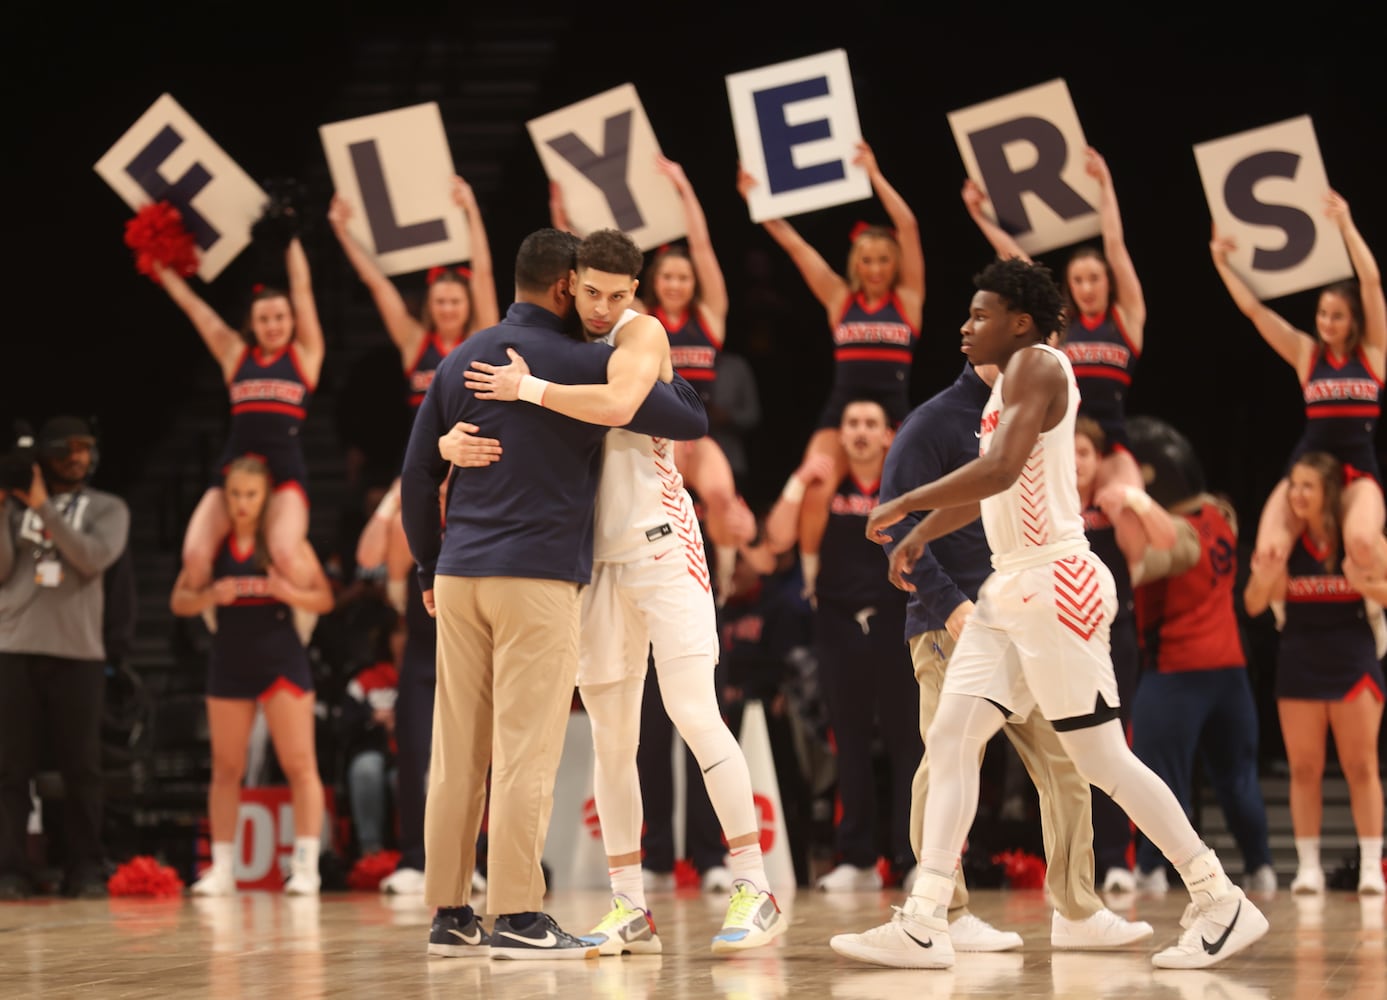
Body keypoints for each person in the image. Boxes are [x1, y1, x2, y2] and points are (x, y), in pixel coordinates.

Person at [834, 257, 1268, 970]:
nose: (964, 325)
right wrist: (923, 531)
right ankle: (923, 917)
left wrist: (908, 502)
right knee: (949, 741)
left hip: (1056, 585)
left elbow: (1000, 468)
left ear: (1022, 321)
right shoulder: (1005, 388)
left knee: (1100, 759)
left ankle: (1217, 897)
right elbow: (993, 489)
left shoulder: (1036, 366)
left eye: (979, 314)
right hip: (1011, 592)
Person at [448, 228, 786, 955]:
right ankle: (629, 903)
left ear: (635, 291)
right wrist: (451, 440)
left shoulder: (643, 331)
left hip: (665, 547)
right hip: (593, 563)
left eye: (616, 294)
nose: (602, 307)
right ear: (570, 283)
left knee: (695, 712)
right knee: (611, 740)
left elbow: (622, 402)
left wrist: (525, 388)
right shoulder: (558, 340)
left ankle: (754, 886)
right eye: (591, 292)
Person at [399, 227, 707, 960]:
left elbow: (415, 476)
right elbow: (687, 417)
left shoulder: (459, 358)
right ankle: (516, 915)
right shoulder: (589, 363)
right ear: (568, 285)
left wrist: (424, 569)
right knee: (526, 750)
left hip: (458, 575)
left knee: (455, 752)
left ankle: (448, 911)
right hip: (534, 578)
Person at [874, 366, 1154, 952]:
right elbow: (898, 519)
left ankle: (1078, 911)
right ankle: (943, 913)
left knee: (1071, 766)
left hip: (1028, 615)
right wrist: (947, 604)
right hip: (956, 622)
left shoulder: (1030, 411)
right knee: (948, 758)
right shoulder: (934, 421)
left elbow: (990, 491)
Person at [550, 158, 757, 601]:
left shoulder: (709, 317)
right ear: (652, 282)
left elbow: (702, 247)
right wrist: (564, 223)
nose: (677, 284)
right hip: (652, 435)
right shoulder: (641, 318)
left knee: (722, 497)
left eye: (684, 278)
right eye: (668, 277)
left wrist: (684, 188)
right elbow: (599, 271)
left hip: (698, 436)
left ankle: (720, 588)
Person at [736, 141, 925, 602]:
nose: (876, 268)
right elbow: (797, 248)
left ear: (894, 262)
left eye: (883, 259)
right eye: (867, 260)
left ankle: (916, 574)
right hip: (842, 407)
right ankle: (812, 579)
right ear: (855, 264)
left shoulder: (910, 300)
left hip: (894, 411)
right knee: (815, 485)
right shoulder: (841, 298)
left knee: (911, 493)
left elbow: (909, 225)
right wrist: (755, 203)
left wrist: (875, 174)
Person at [761, 399, 921, 890]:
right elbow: (775, 541)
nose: (860, 432)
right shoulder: (825, 487)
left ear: (888, 435)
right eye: (852, 423)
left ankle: (912, 859)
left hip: (898, 625)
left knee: (908, 744)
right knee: (847, 744)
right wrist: (798, 480)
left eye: (871, 424)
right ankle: (856, 860)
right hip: (836, 625)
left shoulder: (906, 487)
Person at [1118, 419, 1276, 896]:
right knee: (1239, 780)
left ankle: (1150, 868)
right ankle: (1261, 867)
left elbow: (1140, 565)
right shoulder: (1220, 514)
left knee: (1158, 780)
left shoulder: (1175, 535)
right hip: (1230, 672)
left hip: (1177, 674)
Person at [170, 455, 335, 896]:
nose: (242, 503)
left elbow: (324, 599)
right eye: (235, 495)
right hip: (229, 662)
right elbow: (179, 601)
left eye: (251, 495)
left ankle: (305, 866)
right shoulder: (213, 546)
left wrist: (289, 590)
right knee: (226, 768)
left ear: (267, 498)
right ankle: (222, 868)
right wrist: (209, 594)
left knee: (300, 765)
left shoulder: (285, 543)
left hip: (282, 660)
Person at [1210, 190, 1387, 585]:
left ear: (1354, 320)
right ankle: (1286, 619)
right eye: (1323, 314)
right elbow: (1256, 312)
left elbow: (1371, 281)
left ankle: (1377, 616)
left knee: (1361, 543)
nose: (1326, 323)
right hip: (1308, 467)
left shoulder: (1373, 353)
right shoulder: (1308, 354)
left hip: (1358, 470)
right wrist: (1221, 263)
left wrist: (1345, 224)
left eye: (1337, 316)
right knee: (1269, 552)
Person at [961, 146, 1148, 501]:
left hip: (1111, 444)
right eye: (1078, 280)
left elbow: (1114, 243)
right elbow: (1020, 263)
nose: (1087, 288)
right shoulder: (1059, 326)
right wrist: (979, 216)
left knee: (1129, 504)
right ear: (1068, 286)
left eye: (1094, 278)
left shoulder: (1127, 319)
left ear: (1108, 281)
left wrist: (1105, 184)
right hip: (1062, 437)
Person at [1243, 450, 1385, 895]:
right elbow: (1252, 604)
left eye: (1308, 485)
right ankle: (1308, 868)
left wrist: (1365, 584)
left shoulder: (1357, 539)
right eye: (1293, 485)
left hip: (1353, 656)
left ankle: (1369, 868)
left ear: (1330, 492)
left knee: (1361, 766)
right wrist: (1266, 575)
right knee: (1304, 768)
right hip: (1301, 657)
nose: (1297, 494)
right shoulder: (1284, 543)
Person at [0, 416, 130, 899]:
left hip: (78, 651)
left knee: (82, 768)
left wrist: (43, 509)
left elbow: (91, 558)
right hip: (13, 646)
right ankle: (9, 870)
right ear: (44, 457)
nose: (77, 457)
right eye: (66, 449)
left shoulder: (108, 508)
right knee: (11, 770)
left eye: (85, 448)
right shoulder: (12, 506)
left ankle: (85, 867)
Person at [150, 237, 324, 593]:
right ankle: (217, 624)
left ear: (292, 320)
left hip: (285, 471)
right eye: (264, 319)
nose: (273, 325)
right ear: (251, 323)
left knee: (285, 554)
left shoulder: (305, 355)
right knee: (195, 555)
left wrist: (288, 238)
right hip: (233, 467)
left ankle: (304, 624)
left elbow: (303, 290)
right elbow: (195, 309)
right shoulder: (235, 355)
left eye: (280, 317)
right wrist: (162, 272)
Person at [1074, 415, 1178, 892]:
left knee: (1112, 748)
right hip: (1054, 641)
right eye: (1068, 452)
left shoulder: (1110, 503)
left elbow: (1161, 543)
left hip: (1111, 638)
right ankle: (1068, 861)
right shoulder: (1043, 506)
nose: (1074, 462)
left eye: (1084, 454)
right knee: (1059, 753)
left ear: (1099, 463)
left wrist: (1134, 500)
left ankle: (1117, 857)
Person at [329, 175, 499, 414]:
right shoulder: (415, 341)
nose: (447, 308)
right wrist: (342, 233)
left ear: (469, 304)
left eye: (455, 302)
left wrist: (471, 210)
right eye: (440, 301)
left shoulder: (480, 338)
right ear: (429, 305)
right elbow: (377, 284)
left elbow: (483, 275)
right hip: (425, 450)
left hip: (476, 448)